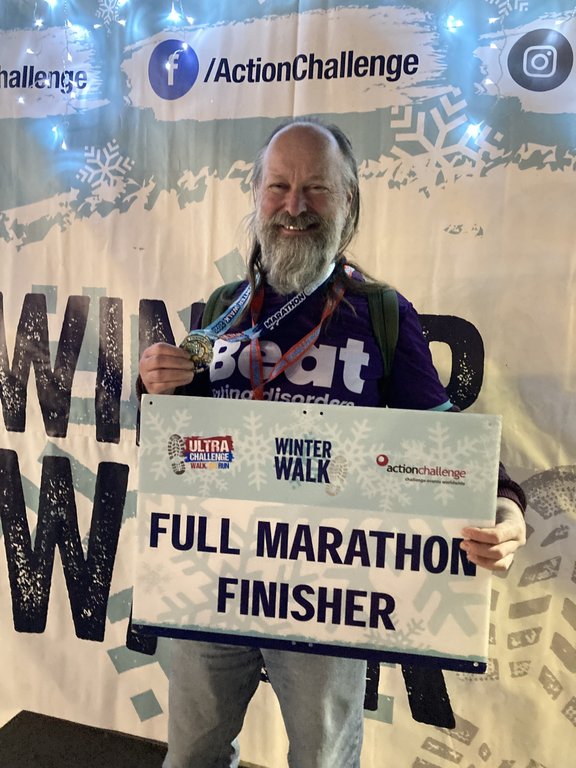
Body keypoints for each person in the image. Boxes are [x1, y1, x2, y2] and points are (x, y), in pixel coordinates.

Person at [138, 119, 527, 768]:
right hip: (216, 585)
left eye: (317, 188)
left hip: (328, 594)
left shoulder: (380, 312)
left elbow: (443, 439)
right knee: (192, 756)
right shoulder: (220, 310)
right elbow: (185, 454)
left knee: (323, 760)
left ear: (350, 206)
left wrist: (505, 505)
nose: (295, 206)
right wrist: (161, 392)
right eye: (280, 186)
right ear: (257, 197)